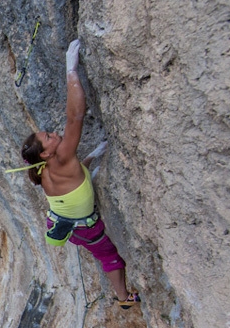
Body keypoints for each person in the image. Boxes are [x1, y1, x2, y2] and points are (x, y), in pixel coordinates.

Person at [14, 40, 139, 309]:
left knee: (103, 253)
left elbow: (73, 178)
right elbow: (75, 117)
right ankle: (123, 299)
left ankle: (122, 297)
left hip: (65, 226)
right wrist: (71, 70)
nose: (55, 134)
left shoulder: (44, 169)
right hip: (85, 228)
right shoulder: (60, 159)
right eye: (49, 137)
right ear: (46, 153)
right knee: (110, 258)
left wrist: (93, 155)